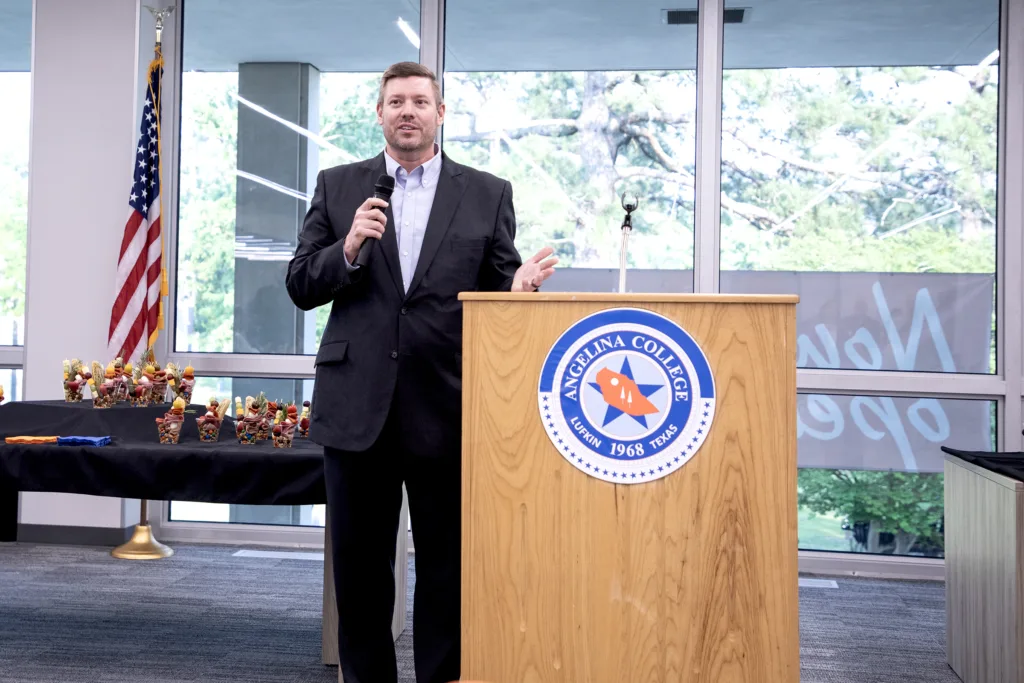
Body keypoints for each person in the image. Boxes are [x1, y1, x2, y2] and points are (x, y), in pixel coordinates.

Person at [284, 61, 557, 683]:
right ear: (379, 114)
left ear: (440, 114)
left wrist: (514, 293)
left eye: (420, 102)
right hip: (358, 410)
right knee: (359, 569)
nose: (408, 111)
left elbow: (494, 299)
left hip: (448, 405)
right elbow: (300, 284)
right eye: (396, 102)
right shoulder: (337, 185)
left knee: (446, 568)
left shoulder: (488, 192)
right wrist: (347, 248)